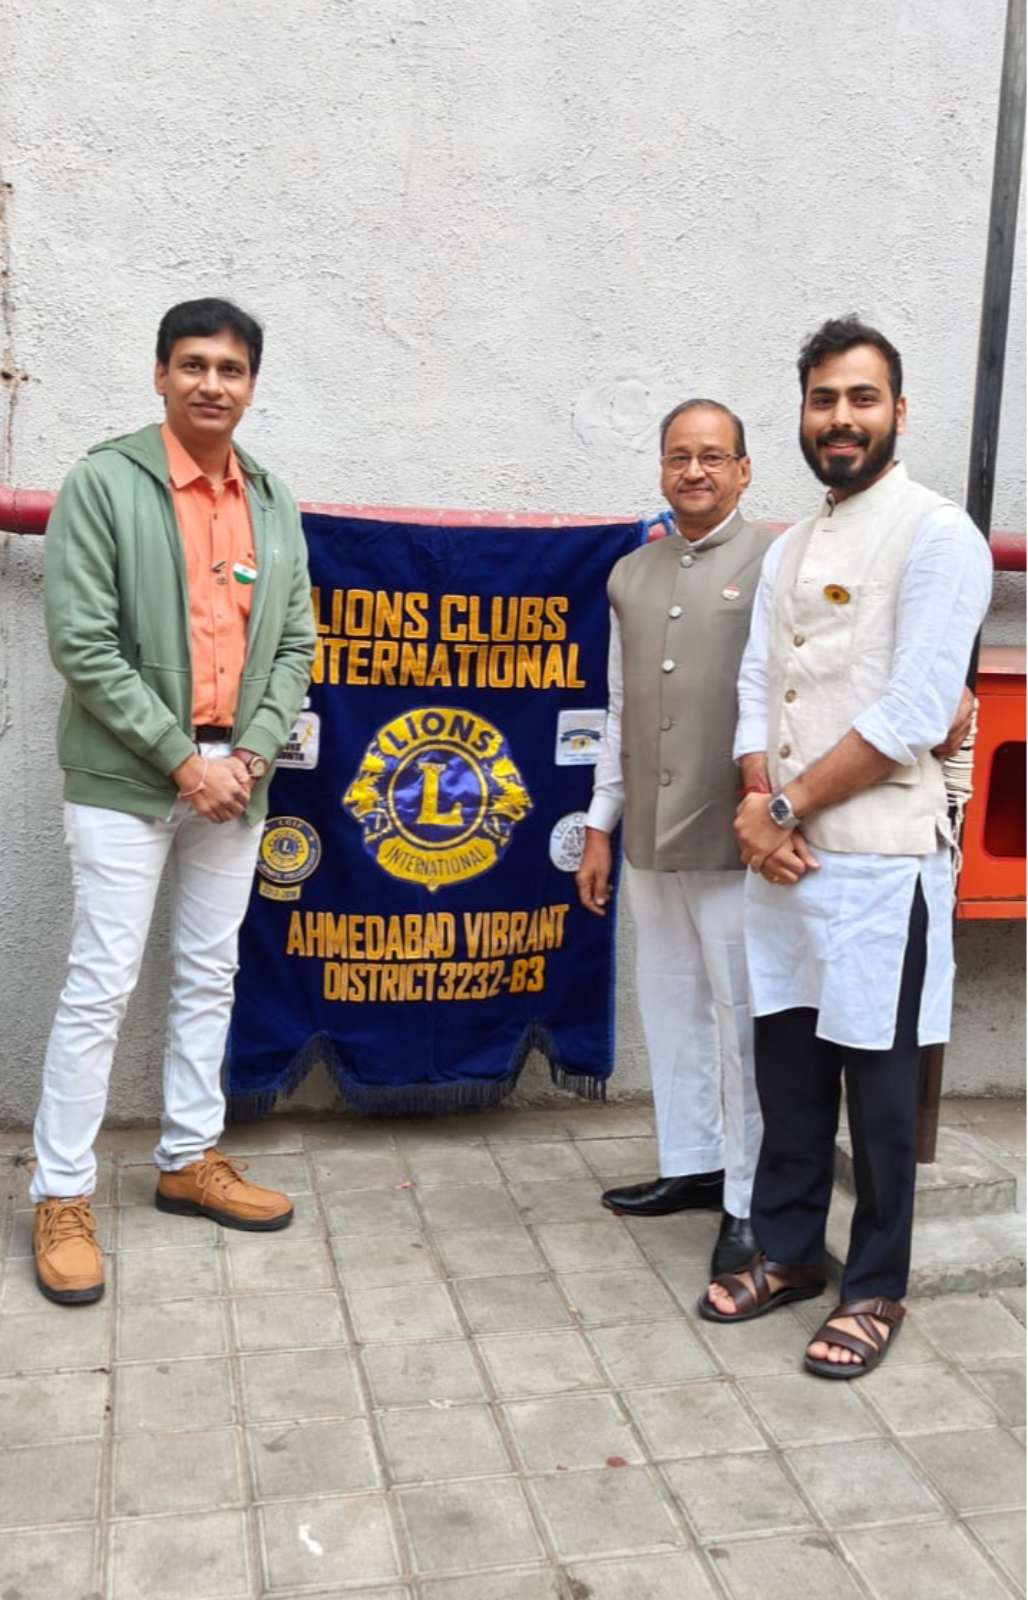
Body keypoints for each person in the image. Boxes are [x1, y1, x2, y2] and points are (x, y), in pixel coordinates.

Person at [700, 317, 990, 1377]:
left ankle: (874, 1287)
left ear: (897, 412)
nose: (840, 418)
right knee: (786, 1070)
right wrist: (756, 800)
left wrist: (780, 812)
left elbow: (915, 708)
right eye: (823, 399)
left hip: (877, 861)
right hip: (785, 855)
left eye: (861, 398)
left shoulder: (937, 535)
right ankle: (787, 1251)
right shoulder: (787, 548)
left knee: (877, 1093)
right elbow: (755, 686)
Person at [31, 297, 316, 1305]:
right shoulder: (104, 483)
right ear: (160, 375)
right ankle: (61, 1193)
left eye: (230, 369)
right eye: (192, 364)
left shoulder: (271, 500)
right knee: (101, 985)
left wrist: (251, 752)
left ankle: (190, 1158)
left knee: (209, 974)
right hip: (128, 780)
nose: (211, 384)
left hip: (237, 781)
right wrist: (183, 762)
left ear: (251, 385)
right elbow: (82, 643)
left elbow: (295, 642)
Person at [576, 399, 777, 1276]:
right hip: (652, 835)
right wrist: (600, 826)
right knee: (669, 1003)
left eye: (712, 456)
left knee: (742, 1020)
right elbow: (621, 709)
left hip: (736, 833)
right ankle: (693, 1163)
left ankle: (750, 1198)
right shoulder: (631, 573)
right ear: (661, 468)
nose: (694, 471)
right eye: (678, 456)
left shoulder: (775, 561)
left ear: (743, 470)